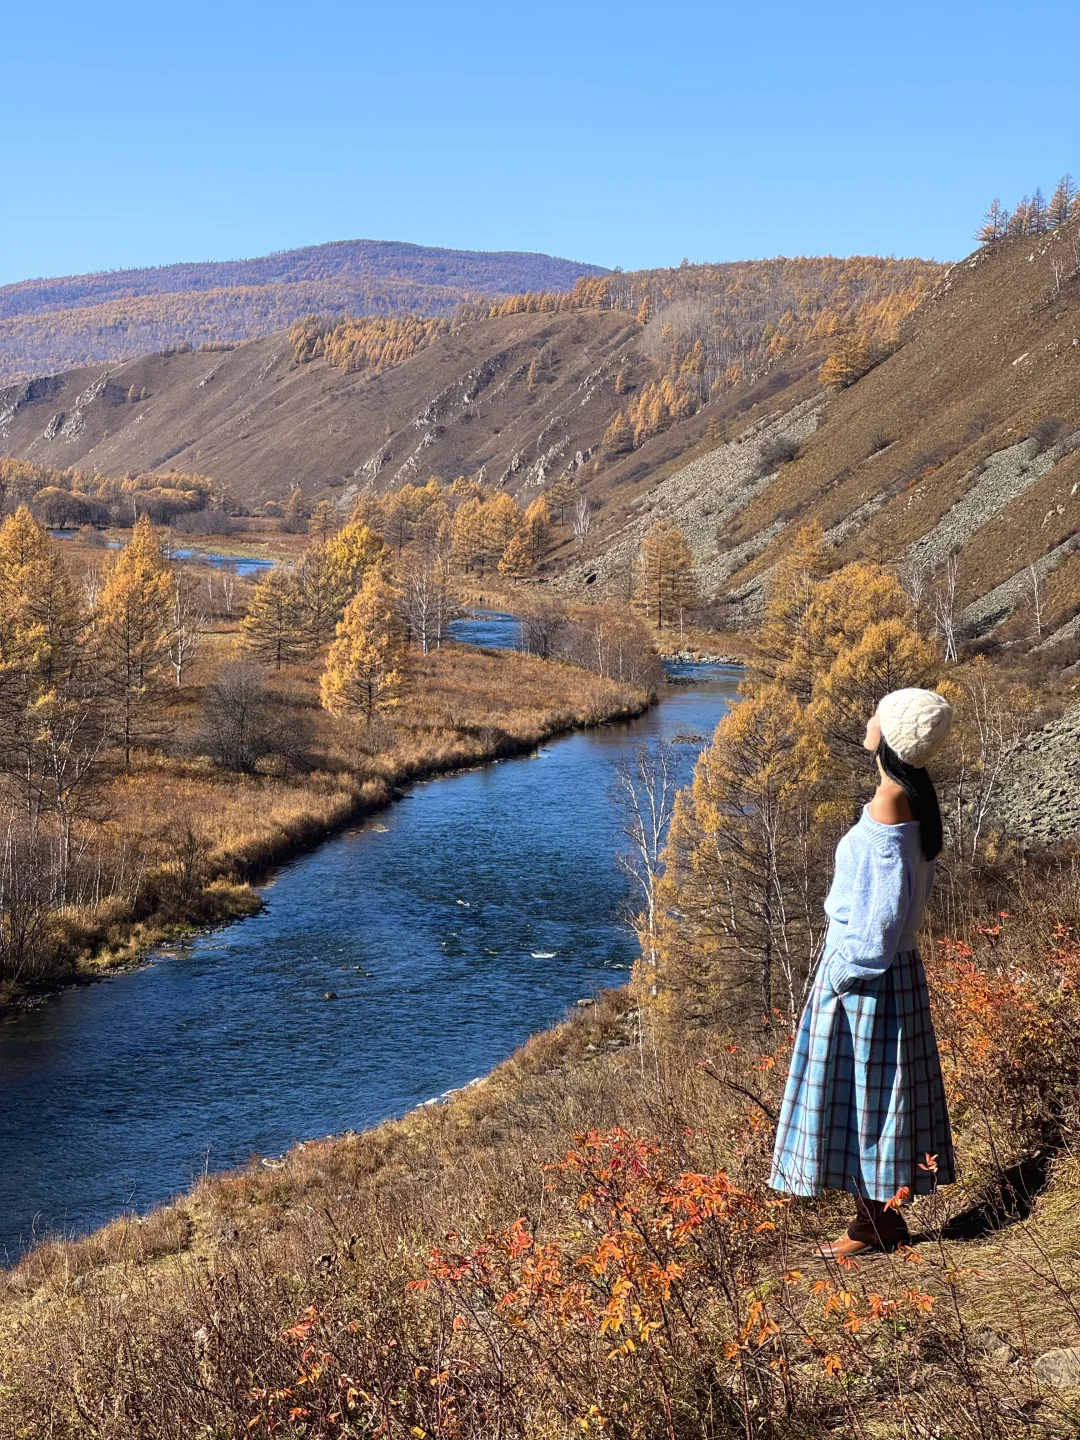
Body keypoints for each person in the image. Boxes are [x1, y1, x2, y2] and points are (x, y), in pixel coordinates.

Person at [770, 687, 956, 1258]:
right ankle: (876, 1220)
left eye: (878, 711)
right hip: (892, 972)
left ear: (893, 733)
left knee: (866, 1096)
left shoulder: (888, 805)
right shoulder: (910, 796)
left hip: (866, 979)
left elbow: (875, 923)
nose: (867, 717)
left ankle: (874, 1225)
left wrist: (840, 974)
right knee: (877, 1094)